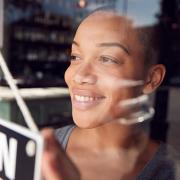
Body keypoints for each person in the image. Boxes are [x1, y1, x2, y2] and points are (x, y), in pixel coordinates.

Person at [41, 10, 180, 180]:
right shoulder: (41, 150)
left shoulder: (169, 172)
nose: (79, 76)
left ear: (151, 79)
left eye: (107, 59)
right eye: (75, 56)